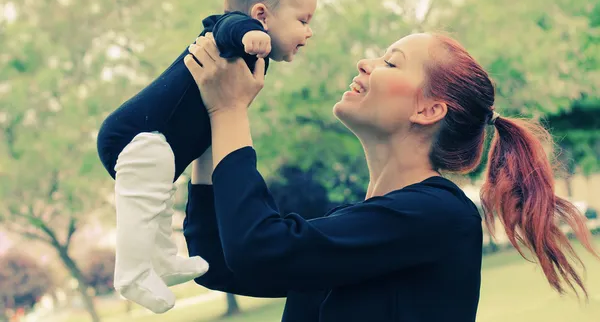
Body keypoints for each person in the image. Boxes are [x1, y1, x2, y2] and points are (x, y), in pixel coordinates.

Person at [182, 32, 598, 322]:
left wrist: (230, 111)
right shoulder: (368, 225)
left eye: (390, 61)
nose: (365, 62)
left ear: (429, 110)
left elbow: (260, 248)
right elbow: (217, 262)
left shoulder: (440, 216)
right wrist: (208, 131)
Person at [95, 0, 317, 313]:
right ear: (261, 15)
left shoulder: (249, 62)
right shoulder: (231, 33)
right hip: (135, 136)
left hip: (161, 147)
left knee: (157, 199)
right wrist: (250, 35)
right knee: (147, 193)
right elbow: (224, 27)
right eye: (303, 20)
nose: (309, 31)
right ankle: (133, 272)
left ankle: (164, 259)